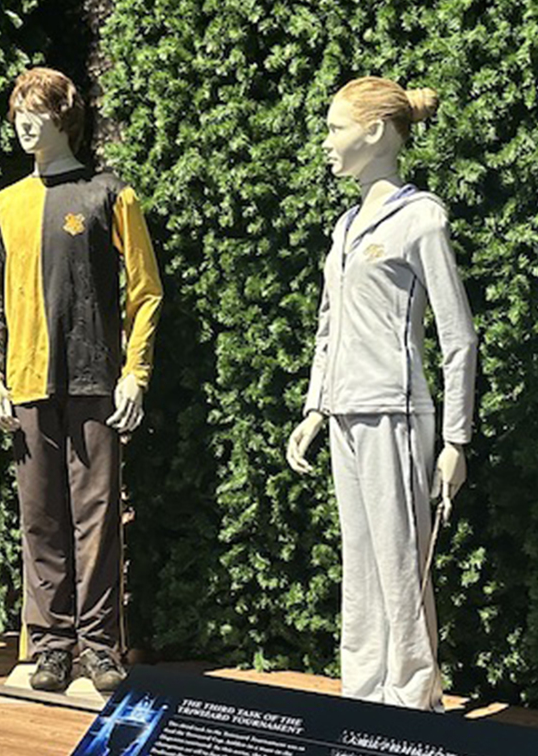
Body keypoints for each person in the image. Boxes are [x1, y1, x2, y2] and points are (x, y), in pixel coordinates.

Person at [286, 77, 478, 710]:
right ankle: (364, 694)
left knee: (400, 564)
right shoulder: (345, 226)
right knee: (361, 562)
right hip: (345, 413)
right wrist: (316, 407)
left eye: (335, 129)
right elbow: (329, 325)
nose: (326, 142)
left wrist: (456, 439)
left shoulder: (420, 219)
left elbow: (458, 335)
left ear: (373, 133)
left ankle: (414, 701)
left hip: (395, 410)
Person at [0, 67, 163, 693]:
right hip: (27, 385)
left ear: (64, 116)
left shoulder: (110, 194)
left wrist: (135, 373)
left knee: (98, 518)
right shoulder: (4, 205)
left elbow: (145, 290)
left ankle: (100, 646)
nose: (24, 123)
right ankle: (52, 645)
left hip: (94, 381)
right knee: (40, 520)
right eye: (18, 112)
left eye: (36, 110)